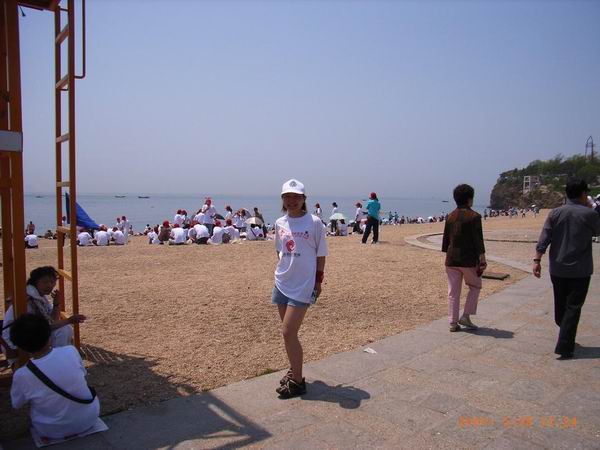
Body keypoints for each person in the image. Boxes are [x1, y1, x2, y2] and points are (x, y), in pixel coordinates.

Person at [272, 179, 327, 398]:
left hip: (303, 285)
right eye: (287, 196)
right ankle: (294, 369)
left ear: (304, 199)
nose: (292, 201)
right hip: (282, 282)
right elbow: (279, 250)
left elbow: (321, 254)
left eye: (296, 197)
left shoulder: (314, 222)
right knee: (290, 335)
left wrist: (318, 281)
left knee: (288, 332)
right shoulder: (279, 222)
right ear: (282, 199)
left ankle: (297, 382)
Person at [534, 179, 600, 359]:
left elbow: (544, 237)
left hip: (558, 267)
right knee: (573, 307)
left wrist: (537, 260)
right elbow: (597, 232)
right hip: (580, 270)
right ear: (583, 194)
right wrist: (592, 209)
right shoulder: (590, 214)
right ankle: (565, 345)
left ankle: (565, 334)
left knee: (561, 304)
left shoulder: (555, 213)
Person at [9, 313, 100, 440]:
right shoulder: (70, 351)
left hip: (51, 430)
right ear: (49, 335)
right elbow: (83, 374)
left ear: (20, 345)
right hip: (89, 419)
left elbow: (17, 403)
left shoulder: (22, 374)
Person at [2, 266, 86, 366]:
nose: (49, 285)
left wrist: (56, 304)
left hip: (31, 334)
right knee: (63, 330)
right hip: (17, 340)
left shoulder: (39, 296)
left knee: (64, 329)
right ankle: (55, 363)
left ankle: (57, 361)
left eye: (52, 282)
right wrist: (69, 320)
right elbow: (46, 326)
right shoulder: (30, 299)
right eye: (45, 282)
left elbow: (53, 320)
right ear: (35, 282)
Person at [442, 184, 487, 332]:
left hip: (451, 259)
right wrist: (482, 258)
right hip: (468, 259)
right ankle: (466, 316)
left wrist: (448, 251)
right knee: (475, 286)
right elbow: (478, 240)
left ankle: (452, 322)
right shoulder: (474, 217)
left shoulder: (450, 216)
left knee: (453, 292)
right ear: (469, 199)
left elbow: (446, 240)